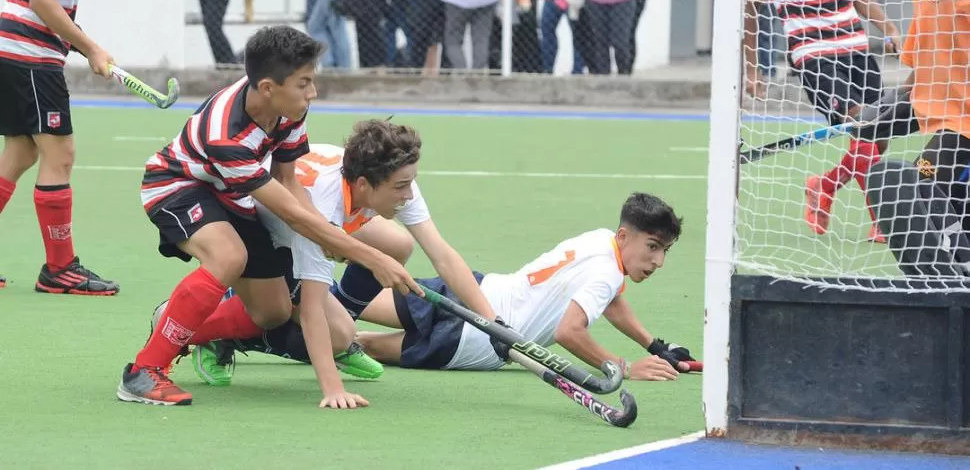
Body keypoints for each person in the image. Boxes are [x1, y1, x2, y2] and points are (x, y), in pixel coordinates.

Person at [116, 26, 421, 407]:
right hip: (178, 185)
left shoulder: (290, 110)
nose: (313, 93)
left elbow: (288, 180)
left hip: (232, 193)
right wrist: (369, 255)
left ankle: (176, 325)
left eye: (313, 81)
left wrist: (327, 233)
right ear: (267, 87)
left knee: (271, 310)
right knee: (229, 256)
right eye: (304, 83)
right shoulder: (226, 134)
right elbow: (290, 214)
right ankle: (143, 372)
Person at [225, 192, 694, 381]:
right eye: (652, 246)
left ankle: (266, 297)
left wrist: (656, 344)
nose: (657, 260)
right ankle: (248, 331)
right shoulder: (607, 272)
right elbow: (572, 331)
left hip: (471, 291)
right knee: (352, 343)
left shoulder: (602, 241)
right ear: (628, 237)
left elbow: (611, 305)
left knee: (348, 313)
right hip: (474, 342)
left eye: (665, 251)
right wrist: (625, 366)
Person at [190, 123, 499, 401]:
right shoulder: (322, 211)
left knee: (396, 244)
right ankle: (223, 332)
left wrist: (494, 325)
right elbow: (312, 311)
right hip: (263, 235)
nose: (409, 194)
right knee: (336, 332)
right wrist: (334, 389)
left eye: (410, 182)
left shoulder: (391, 176)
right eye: (401, 186)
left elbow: (442, 255)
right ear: (364, 184)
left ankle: (338, 326)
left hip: (321, 215)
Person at [744, 0, 901, 243]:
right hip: (812, 54)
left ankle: (824, 185)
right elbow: (751, 11)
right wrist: (752, 70)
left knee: (876, 133)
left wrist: (891, 29)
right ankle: (883, 218)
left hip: (856, 47)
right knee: (861, 121)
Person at [0, 0, 119, 295]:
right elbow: (43, 1)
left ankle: (59, 268)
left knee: (20, 154)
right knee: (60, 153)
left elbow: (51, 3)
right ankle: (60, 269)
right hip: (28, 53)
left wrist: (84, 45)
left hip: (18, 49)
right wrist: (89, 47)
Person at [866, 0, 970, 278]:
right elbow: (925, 44)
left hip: (966, 121)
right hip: (945, 116)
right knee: (949, 198)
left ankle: (961, 259)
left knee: (922, 184)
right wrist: (899, 97)